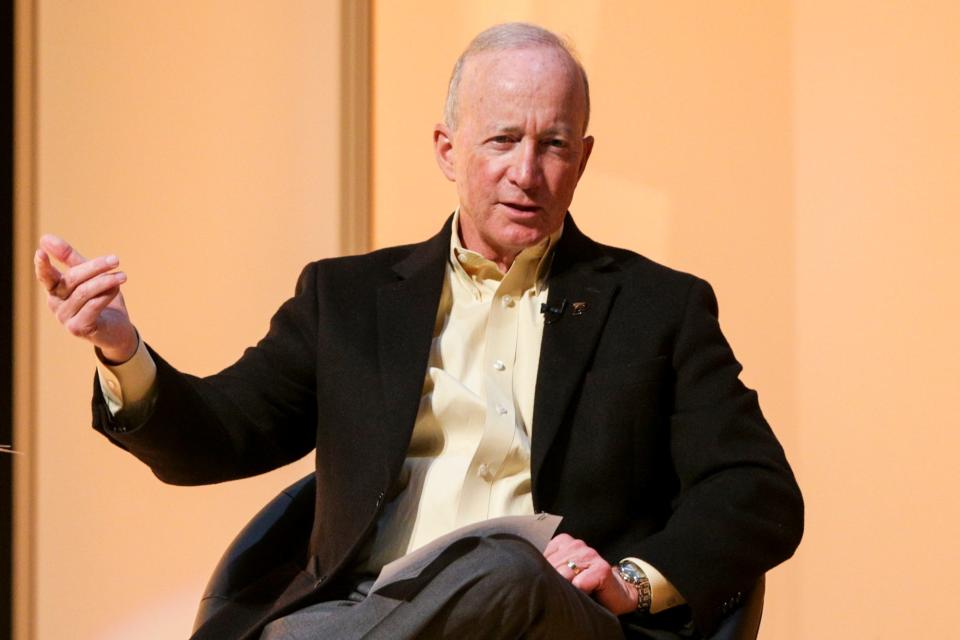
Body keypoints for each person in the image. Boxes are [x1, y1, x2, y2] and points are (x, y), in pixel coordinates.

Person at [34, 23, 802, 640]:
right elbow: (221, 434)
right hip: (372, 604)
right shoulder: (349, 298)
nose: (527, 172)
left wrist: (628, 582)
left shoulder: (656, 308)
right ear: (448, 150)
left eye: (554, 144)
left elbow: (758, 491)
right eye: (502, 140)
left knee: (501, 564)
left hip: (555, 615)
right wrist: (122, 351)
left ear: (583, 159)